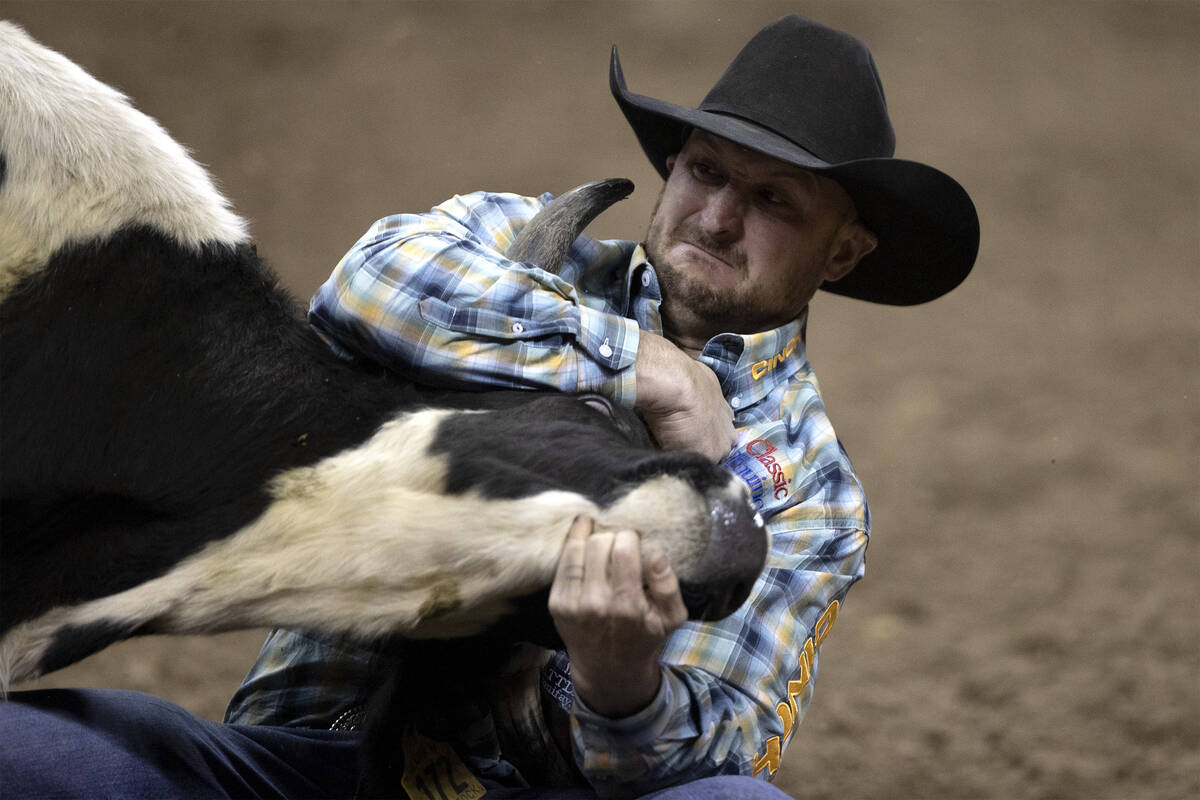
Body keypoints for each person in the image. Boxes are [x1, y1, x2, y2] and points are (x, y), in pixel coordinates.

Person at [0, 14, 977, 799]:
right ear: (673, 168)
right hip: (305, 766)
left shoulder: (809, 490)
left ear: (842, 253)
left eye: (775, 202)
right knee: (32, 752)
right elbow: (368, 280)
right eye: (707, 171)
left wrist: (619, 681)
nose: (718, 215)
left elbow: (728, 737)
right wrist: (640, 364)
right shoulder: (510, 245)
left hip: (541, 787)